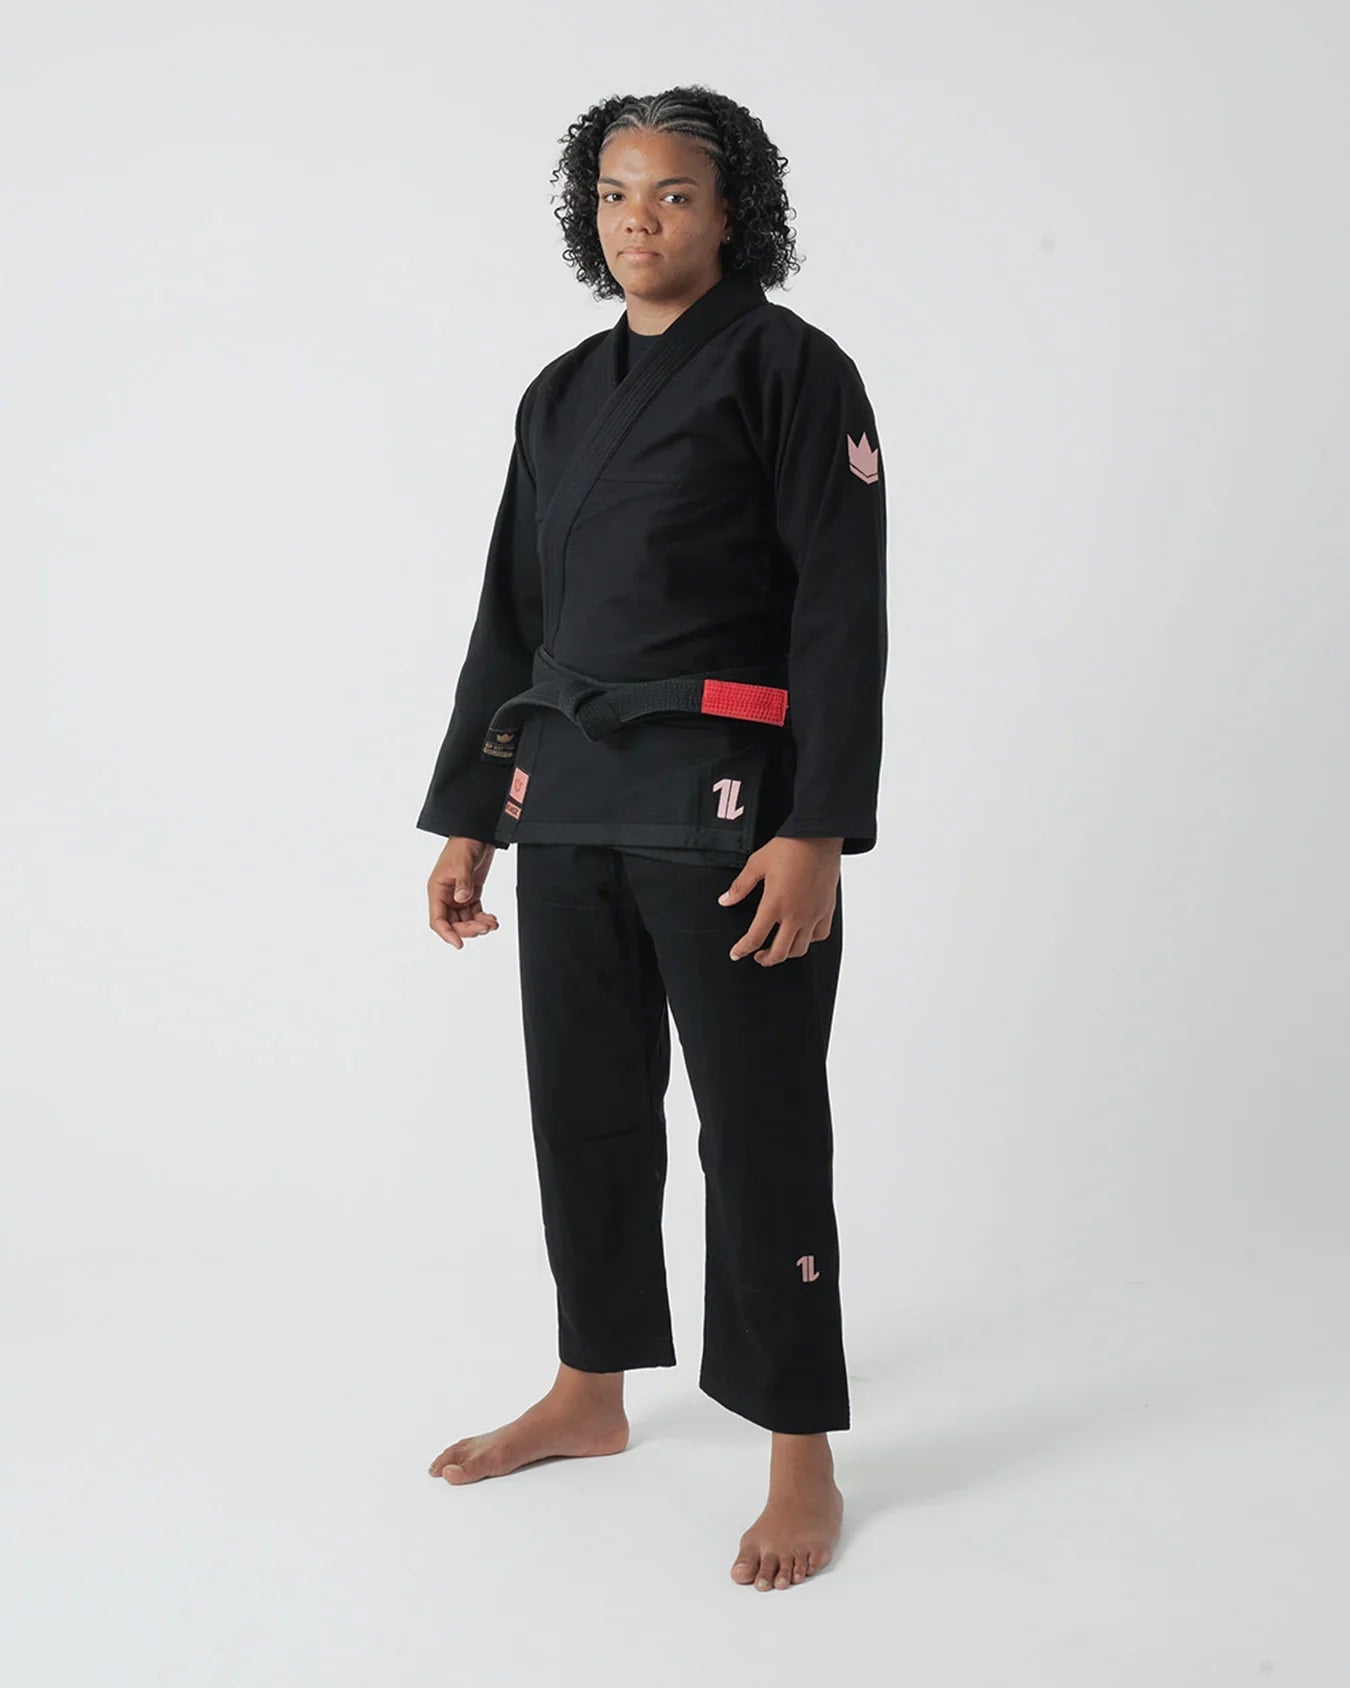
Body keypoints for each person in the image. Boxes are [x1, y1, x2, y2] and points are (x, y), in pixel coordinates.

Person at [418, 85, 887, 1593]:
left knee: (758, 1126)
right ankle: (590, 1387)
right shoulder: (560, 392)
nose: (639, 218)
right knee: (585, 1109)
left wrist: (820, 827)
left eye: (674, 193)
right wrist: (472, 814)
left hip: (728, 810)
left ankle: (800, 1448)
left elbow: (842, 613)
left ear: (732, 213)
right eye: (616, 193)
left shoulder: (792, 370)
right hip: (564, 798)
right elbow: (511, 613)